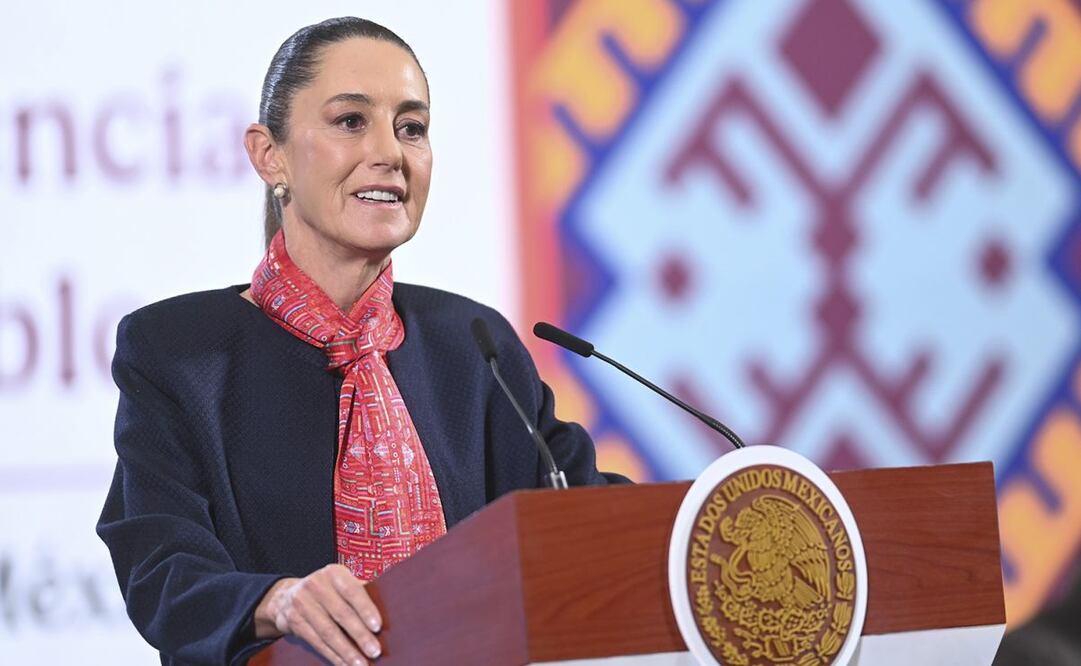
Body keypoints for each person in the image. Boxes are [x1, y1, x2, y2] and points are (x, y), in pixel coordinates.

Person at [97, 17, 627, 666]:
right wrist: (278, 602)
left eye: (412, 128)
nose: (390, 153)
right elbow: (162, 568)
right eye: (351, 121)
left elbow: (586, 521)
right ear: (270, 155)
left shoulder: (473, 345)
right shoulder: (177, 354)